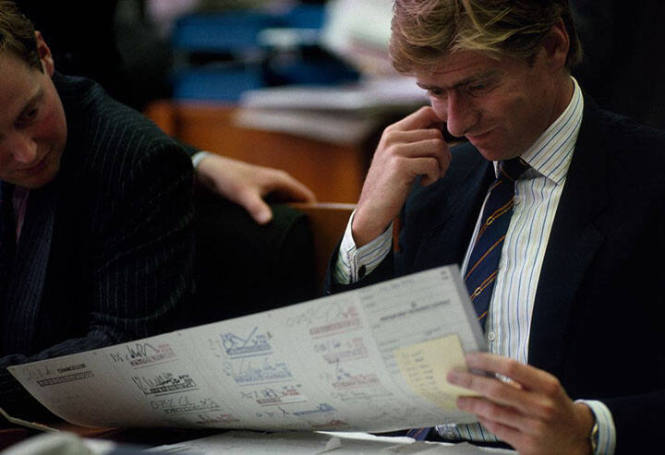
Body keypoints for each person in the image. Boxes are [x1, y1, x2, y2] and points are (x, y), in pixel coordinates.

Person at [326, 1, 665, 454]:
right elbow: (355, 378)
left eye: (478, 85)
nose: (455, 121)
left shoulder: (649, 180)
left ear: (553, 46)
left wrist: (591, 429)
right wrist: (367, 227)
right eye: (434, 92)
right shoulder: (434, 182)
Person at [0, 0, 312, 423]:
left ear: (45, 55)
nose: (25, 152)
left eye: (31, 114)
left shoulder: (135, 161)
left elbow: (123, 350)